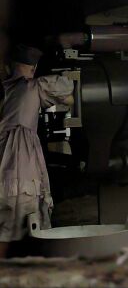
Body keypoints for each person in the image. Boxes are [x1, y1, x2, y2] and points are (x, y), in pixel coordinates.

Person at [0, 45, 74, 257]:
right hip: (21, 155)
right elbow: (68, 97)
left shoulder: (8, 88)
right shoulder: (34, 86)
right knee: (24, 200)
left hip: (4, 153)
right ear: (33, 68)